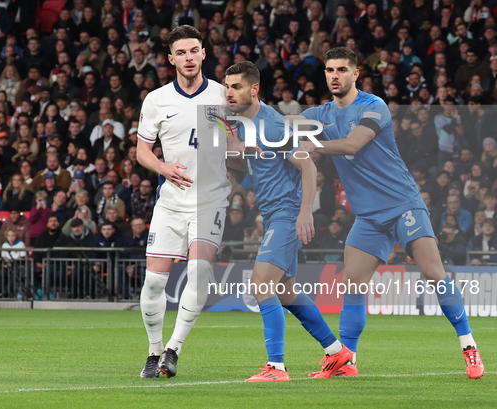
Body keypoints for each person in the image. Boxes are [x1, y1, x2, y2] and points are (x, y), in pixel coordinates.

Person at [299, 47, 484, 379]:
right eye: (329, 70)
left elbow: (354, 144)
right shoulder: (321, 113)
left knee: (434, 275)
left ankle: (469, 346)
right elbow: (281, 124)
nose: (335, 76)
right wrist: (245, 116)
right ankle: (348, 363)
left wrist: (316, 146)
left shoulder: (374, 106)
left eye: (342, 70)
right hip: (368, 216)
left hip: (402, 204)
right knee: (352, 283)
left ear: (356, 74)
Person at [224, 61, 351, 382]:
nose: (229, 93)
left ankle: (276, 368)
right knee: (285, 293)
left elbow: (308, 167)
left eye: (236, 87)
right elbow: (251, 163)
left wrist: (305, 212)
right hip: (274, 216)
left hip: (286, 214)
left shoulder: (272, 125)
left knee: (260, 285)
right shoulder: (247, 126)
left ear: (254, 90)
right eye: (227, 87)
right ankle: (338, 354)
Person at [137, 25, 231, 379]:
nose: (189, 58)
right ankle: (153, 351)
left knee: (198, 272)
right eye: (182, 52)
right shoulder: (156, 99)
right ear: (171, 58)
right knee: (154, 284)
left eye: (195, 51)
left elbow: (250, 134)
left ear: (204, 53)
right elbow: (141, 151)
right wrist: (162, 166)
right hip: (170, 204)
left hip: (210, 202)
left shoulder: (225, 96)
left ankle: (173, 349)